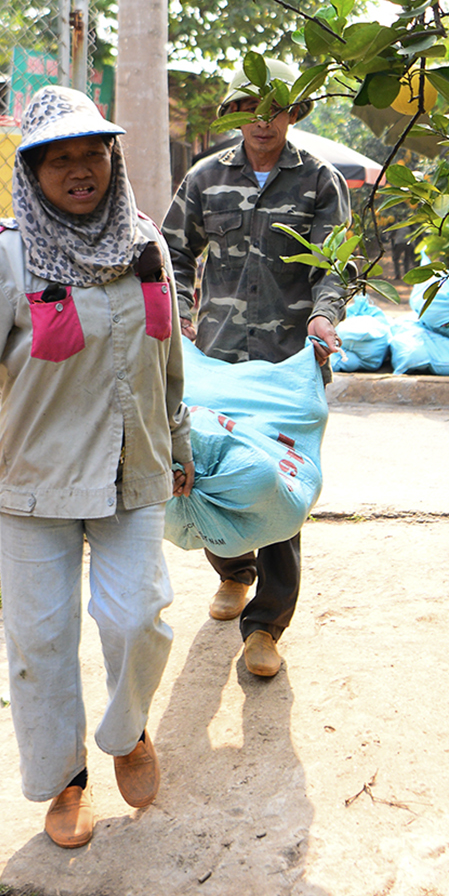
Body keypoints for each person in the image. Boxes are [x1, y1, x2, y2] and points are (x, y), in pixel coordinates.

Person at [0, 86, 193, 850]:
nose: (80, 169)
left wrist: (180, 441)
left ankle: (127, 731)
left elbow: (168, 360)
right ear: (32, 169)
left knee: (140, 615)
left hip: (133, 470)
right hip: (37, 482)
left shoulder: (144, 244)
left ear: (111, 158)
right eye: (60, 158)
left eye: (93, 152)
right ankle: (66, 781)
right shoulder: (6, 258)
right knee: (42, 640)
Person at [162, 59, 350, 680]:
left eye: (275, 107)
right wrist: (180, 315)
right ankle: (233, 571)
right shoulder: (204, 178)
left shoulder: (320, 181)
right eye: (251, 107)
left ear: (294, 112)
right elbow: (173, 253)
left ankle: (267, 623)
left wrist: (324, 319)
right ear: (238, 114)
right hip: (214, 357)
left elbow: (333, 265)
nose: (263, 120)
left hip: (289, 361)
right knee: (209, 469)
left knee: (278, 486)